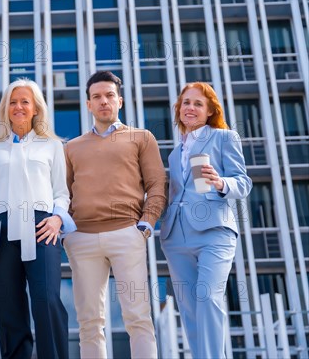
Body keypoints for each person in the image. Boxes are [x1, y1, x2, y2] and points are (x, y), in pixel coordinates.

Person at [0, 78, 75, 359]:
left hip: (43, 228)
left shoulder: (52, 146)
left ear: (36, 108)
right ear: (6, 108)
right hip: (0, 231)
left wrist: (57, 219)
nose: (18, 107)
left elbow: (62, 193)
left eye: (25, 101)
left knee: (47, 300)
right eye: (13, 102)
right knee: (9, 308)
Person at [63, 70, 166, 359]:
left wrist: (145, 225)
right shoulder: (71, 147)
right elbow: (63, 193)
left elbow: (157, 184)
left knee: (138, 317)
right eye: (96, 97)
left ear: (119, 101)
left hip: (127, 234)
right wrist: (68, 235)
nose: (103, 101)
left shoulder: (141, 138)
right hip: (81, 239)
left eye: (109, 95)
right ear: (88, 104)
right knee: (89, 323)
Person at [160, 82, 252, 358]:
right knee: (188, 308)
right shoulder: (175, 154)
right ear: (179, 108)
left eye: (198, 104)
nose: (191, 108)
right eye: (186, 102)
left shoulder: (224, 137)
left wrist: (220, 182)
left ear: (210, 111)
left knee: (208, 298)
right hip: (176, 237)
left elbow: (243, 183)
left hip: (215, 231)